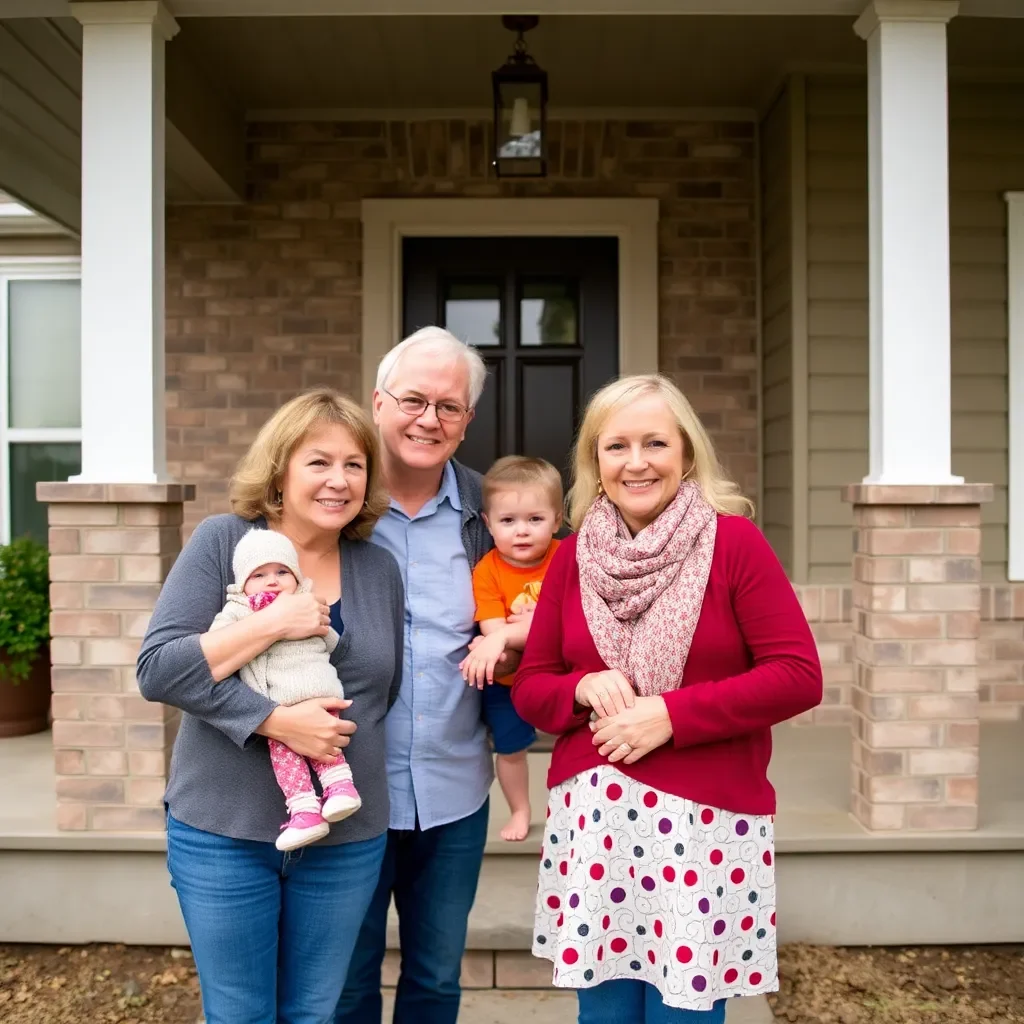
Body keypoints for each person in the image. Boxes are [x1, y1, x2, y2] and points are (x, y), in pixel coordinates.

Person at [512, 374, 823, 1024]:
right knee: (603, 1016)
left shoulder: (733, 543)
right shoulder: (571, 559)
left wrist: (671, 715)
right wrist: (578, 688)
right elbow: (534, 689)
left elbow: (797, 673)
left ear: (686, 451)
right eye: (616, 445)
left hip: (703, 829)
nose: (636, 461)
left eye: (655, 442)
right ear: (594, 461)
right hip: (598, 828)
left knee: (686, 1014)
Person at [137, 388, 404, 1024]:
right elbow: (161, 670)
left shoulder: (378, 568)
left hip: (345, 832)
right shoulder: (222, 542)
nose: (339, 480)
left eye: (354, 464)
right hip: (223, 828)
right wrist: (274, 706)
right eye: (319, 462)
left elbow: (378, 692)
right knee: (239, 1015)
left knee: (315, 1013)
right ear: (280, 469)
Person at [337, 326, 507, 1024]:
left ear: (466, 423)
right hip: (348, 792)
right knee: (345, 980)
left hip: (453, 787)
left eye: (449, 406)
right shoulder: (333, 502)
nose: (428, 419)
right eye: (413, 399)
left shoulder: (490, 514)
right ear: (378, 403)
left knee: (435, 980)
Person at [211, 528, 361, 851]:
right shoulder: (239, 610)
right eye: (259, 574)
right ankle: (305, 810)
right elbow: (214, 646)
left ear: (296, 575)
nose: (272, 581)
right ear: (242, 584)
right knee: (286, 759)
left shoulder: (307, 603)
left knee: (326, 746)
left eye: (282, 571)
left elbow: (332, 641)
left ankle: (341, 789)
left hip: (317, 691)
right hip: (277, 709)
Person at [460, 455, 563, 841]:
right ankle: (521, 810)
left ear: (556, 519)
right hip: (509, 685)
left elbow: (571, 623)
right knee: (511, 749)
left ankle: (569, 810)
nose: (522, 531)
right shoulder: (487, 569)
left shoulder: (565, 559)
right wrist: (516, 632)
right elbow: (492, 628)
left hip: (562, 677)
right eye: (508, 521)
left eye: (535, 519)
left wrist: (507, 634)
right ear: (488, 523)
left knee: (577, 741)